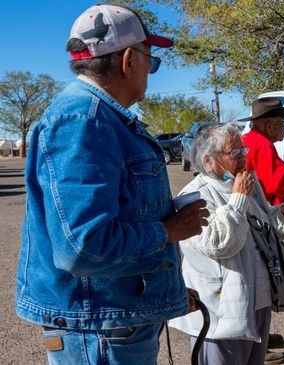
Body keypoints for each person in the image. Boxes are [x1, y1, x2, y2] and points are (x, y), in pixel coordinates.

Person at [14, 4, 208, 365]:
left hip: (111, 324)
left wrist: (168, 289)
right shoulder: (84, 121)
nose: (151, 70)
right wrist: (167, 231)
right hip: (101, 331)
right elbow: (83, 247)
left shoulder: (101, 119)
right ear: (129, 59)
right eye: (152, 59)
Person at [169, 124, 284, 365]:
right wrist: (239, 199)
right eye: (234, 153)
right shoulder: (194, 196)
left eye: (243, 150)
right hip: (220, 312)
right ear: (209, 160)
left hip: (257, 300)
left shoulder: (247, 183)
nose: (243, 157)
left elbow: (268, 227)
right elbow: (218, 244)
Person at [239, 97, 284, 363]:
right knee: (267, 276)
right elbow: (277, 183)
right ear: (267, 125)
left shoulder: (253, 140)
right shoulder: (262, 145)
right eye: (280, 123)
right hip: (260, 218)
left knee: (264, 277)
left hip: (253, 215)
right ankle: (258, 343)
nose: (283, 128)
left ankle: (263, 334)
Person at [240, 97, 284, 206]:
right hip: (264, 211)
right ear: (269, 126)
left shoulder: (245, 138)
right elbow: (279, 185)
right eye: (282, 122)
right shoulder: (263, 144)